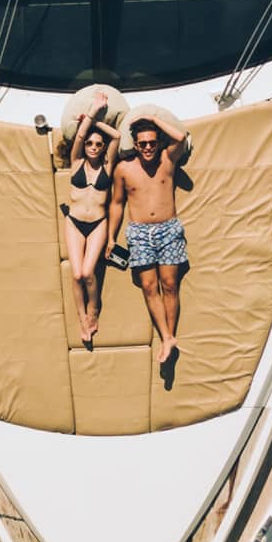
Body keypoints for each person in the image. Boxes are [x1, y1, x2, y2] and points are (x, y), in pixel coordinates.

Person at [108, 113, 189, 363]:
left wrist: (153, 118)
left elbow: (181, 137)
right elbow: (117, 203)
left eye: (152, 142)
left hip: (169, 230)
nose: (147, 148)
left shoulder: (167, 159)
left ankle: (168, 338)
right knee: (149, 286)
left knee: (170, 285)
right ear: (134, 144)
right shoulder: (123, 169)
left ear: (158, 142)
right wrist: (111, 237)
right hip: (139, 233)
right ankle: (167, 337)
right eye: (142, 143)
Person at [62, 91, 121, 343]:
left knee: (88, 273)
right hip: (74, 223)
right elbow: (80, 135)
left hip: (97, 224)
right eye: (90, 144)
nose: (94, 147)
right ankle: (82, 318)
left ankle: (94, 310)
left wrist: (94, 119)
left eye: (98, 144)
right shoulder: (76, 162)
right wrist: (91, 115)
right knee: (76, 275)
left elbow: (117, 135)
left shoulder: (108, 166)